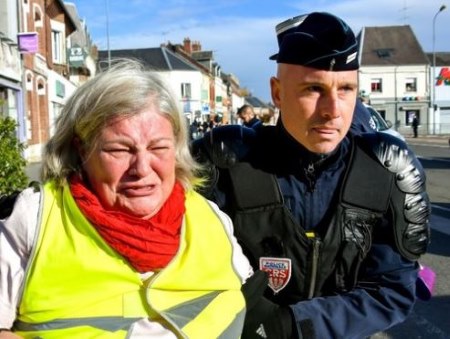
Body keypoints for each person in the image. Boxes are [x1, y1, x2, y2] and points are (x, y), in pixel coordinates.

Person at [192, 12, 431, 339]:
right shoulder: (228, 165)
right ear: (277, 93)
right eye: (314, 88)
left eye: (347, 89)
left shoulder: (385, 172)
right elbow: (180, 266)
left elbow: (392, 289)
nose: (333, 109)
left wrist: (292, 324)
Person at [0, 59, 253, 338]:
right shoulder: (32, 219)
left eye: (158, 147)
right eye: (120, 150)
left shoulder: (212, 218)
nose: (142, 169)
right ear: (81, 150)